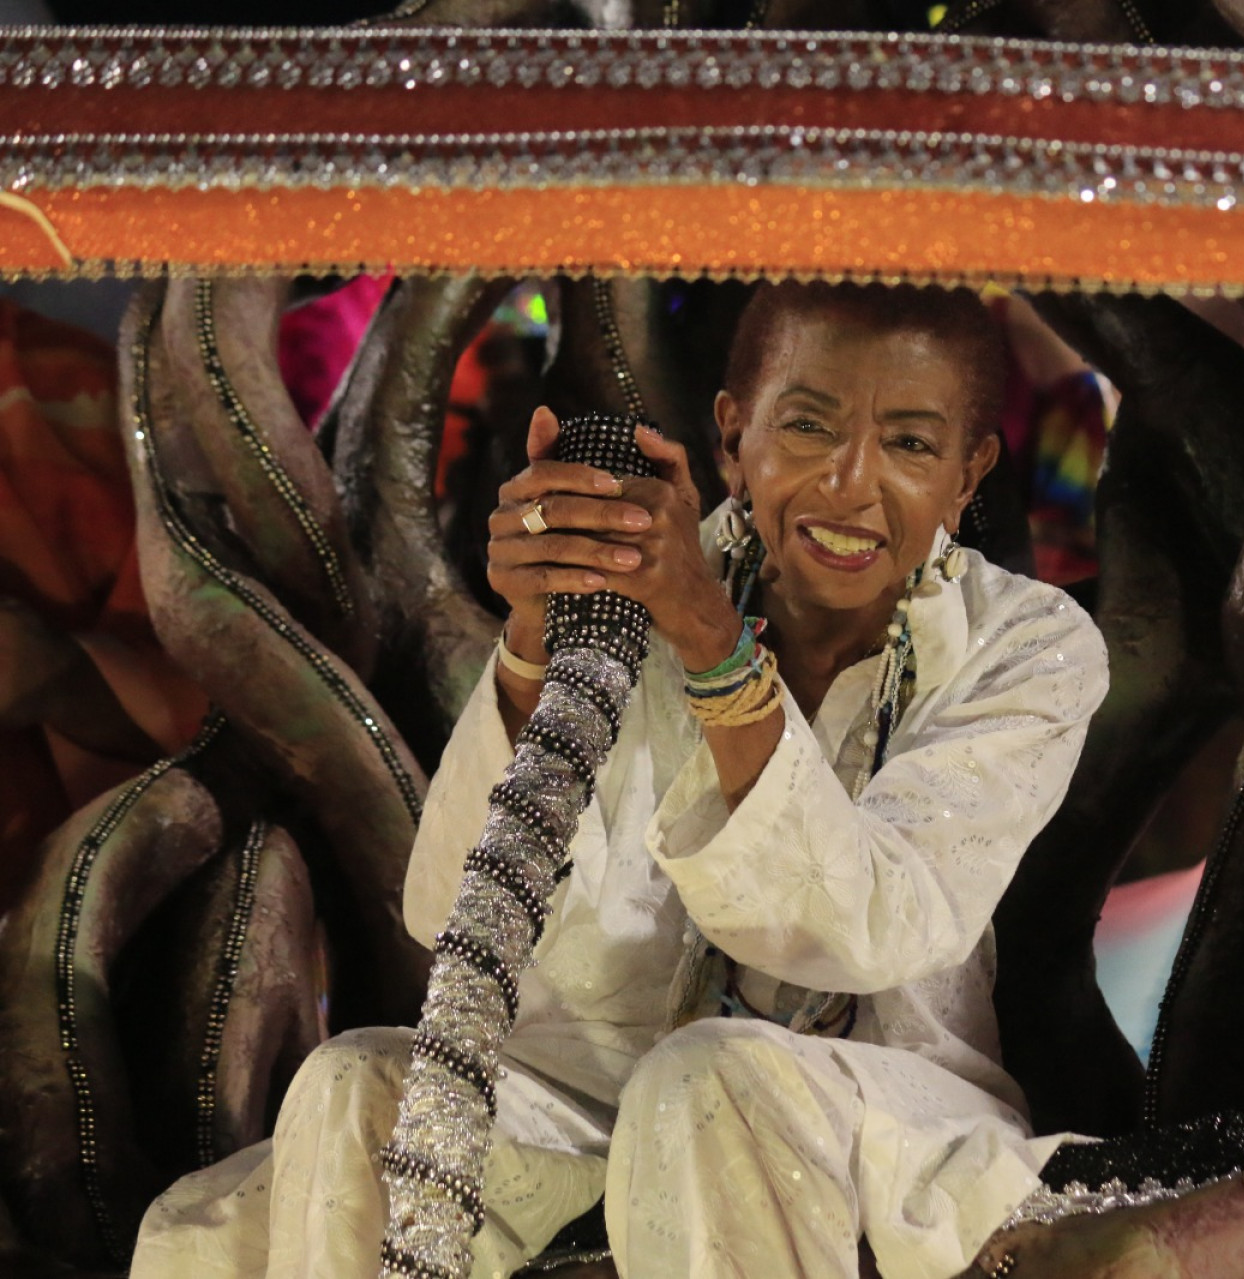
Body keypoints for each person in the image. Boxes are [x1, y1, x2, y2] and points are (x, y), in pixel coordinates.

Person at [130, 282, 1108, 1279]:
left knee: (706, 1080)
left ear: (967, 471)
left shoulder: (1027, 642)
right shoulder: (643, 568)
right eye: (807, 428)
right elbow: (452, 907)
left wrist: (713, 649)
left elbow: (878, 921)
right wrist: (531, 641)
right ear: (733, 437)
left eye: (910, 445)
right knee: (352, 1084)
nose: (851, 486)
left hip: (888, 1105)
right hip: (599, 1083)